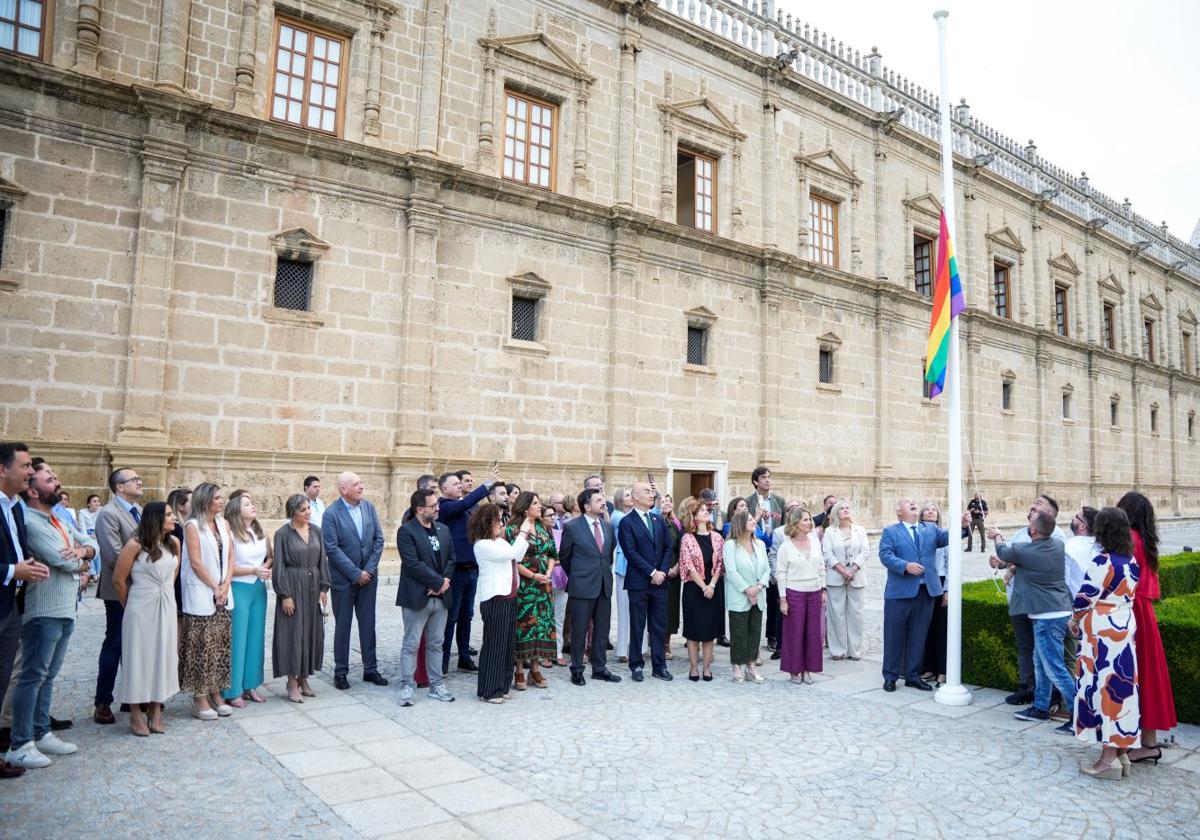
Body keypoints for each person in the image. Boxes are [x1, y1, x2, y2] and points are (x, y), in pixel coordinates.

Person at [4, 461, 93, 769]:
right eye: (50, 479)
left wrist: (82, 554)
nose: (58, 482)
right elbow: (61, 560)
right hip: (43, 610)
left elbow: (89, 544)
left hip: (65, 607)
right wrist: (81, 562)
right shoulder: (30, 520)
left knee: (48, 676)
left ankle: (41, 732)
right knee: (33, 676)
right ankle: (20, 742)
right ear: (32, 490)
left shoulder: (57, 519)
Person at [1070, 506, 1139, 779]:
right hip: (1124, 625)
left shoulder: (1103, 561)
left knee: (1104, 688)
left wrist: (1074, 618)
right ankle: (1121, 753)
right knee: (1121, 686)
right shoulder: (1130, 560)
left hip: (1102, 631)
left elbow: (1085, 596)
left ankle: (1107, 759)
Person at [990, 510, 1075, 729]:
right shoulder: (1057, 545)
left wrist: (997, 535)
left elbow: (1003, 551)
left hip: (1047, 619)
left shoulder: (1023, 550)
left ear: (1033, 530)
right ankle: (1040, 707)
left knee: (1055, 669)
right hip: (1059, 612)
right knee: (1040, 664)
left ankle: (1080, 716)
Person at [0, 442, 50, 778]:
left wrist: (24, 566)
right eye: (25, 465)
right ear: (3, 469)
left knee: (3, 680)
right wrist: (11, 571)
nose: (30, 472)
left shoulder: (15, 506)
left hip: (10, 606)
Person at [1117, 491, 1177, 765]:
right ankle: (1149, 743)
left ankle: (1128, 740)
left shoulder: (1129, 538)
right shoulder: (1145, 539)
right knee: (1147, 675)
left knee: (1132, 674)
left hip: (1132, 610)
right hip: (1144, 612)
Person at [111, 501, 179, 737]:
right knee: (138, 657)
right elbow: (118, 580)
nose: (173, 519)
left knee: (163, 655)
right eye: (169, 515)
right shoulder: (134, 545)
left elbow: (171, 575)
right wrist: (131, 605)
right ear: (155, 519)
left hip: (167, 603)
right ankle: (135, 713)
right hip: (140, 605)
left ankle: (156, 710)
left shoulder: (174, 543)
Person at [322, 472, 386, 691]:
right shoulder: (331, 514)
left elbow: (379, 539)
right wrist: (354, 573)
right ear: (343, 489)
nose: (361, 486)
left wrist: (368, 570)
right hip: (343, 581)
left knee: (368, 624)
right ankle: (341, 671)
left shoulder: (368, 507)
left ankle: (371, 669)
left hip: (369, 579)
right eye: (356, 484)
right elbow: (331, 547)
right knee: (343, 627)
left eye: (361, 483)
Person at [878, 498, 949, 692]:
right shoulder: (891, 531)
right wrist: (905, 566)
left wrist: (964, 525)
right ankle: (890, 677)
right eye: (907, 502)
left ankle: (913, 675)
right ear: (899, 512)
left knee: (919, 636)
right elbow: (885, 555)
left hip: (926, 592)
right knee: (894, 636)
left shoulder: (931, 529)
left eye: (914, 502)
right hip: (899, 593)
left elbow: (949, 538)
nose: (913, 503)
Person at [435, 465, 501, 674]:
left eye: (459, 483)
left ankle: (464, 656)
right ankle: (443, 661)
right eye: (454, 484)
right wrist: (487, 485)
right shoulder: (444, 506)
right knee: (451, 617)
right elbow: (464, 504)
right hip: (455, 572)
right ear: (443, 489)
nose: (459, 486)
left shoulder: (466, 507)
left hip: (471, 570)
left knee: (467, 616)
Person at [179, 483, 235, 720]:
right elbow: (195, 561)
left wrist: (225, 585)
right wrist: (214, 586)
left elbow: (231, 555)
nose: (222, 501)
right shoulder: (192, 526)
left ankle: (216, 691)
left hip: (223, 591)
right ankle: (199, 696)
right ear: (205, 501)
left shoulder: (224, 524)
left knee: (220, 645)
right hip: (202, 592)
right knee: (201, 647)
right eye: (217, 498)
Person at [395, 488, 456, 706]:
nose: (438, 508)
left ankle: (436, 684)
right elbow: (412, 564)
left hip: (441, 597)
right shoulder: (407, 532)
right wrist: (438, 583)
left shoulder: (444, 530)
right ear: (420, 509)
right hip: (416, 597)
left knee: (436, 642)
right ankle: (407, 685)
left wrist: (444, 582)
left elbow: (451, 559)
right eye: (433, 506)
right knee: (411, 643)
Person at [93, 466, 143, 725]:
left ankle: (131, 696)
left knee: (135, 644)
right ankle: (102, 701)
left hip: (141, 588)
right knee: (115, 642)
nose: (139, 481)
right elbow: (113, 554)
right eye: (133, 479)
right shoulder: (108, 514)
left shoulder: (140, 512)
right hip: (119, 588)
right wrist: (145, 569)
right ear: (119, 487)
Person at [558, 487, 621, 686]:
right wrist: (578, 576)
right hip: (581, 586)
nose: (603, 503)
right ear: (586, 506)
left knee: (602, 630)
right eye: (598, 500)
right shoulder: (573, 527)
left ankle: (599, 668)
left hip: (603, 585)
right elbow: (565, 557)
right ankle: (576, 669)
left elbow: (608, 554)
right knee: (579, 630)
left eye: (603, 499)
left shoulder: (608, 527)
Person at [272, 494, 330, 704]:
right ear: (292, 512)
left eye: (308, 509)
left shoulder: (316, 531)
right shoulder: (282, 534)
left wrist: (324, 587)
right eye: (303, 510)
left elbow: (322, 559)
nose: (308, 512)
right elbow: (278, 566)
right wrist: (284, 595)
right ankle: (291, 681)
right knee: (292, 634)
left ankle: (304, 677)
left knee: (310, 633)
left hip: (313, 586)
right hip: (293, 585)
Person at [470, 503, 527, 703]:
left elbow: (517, 555)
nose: (502, 524)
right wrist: (523, 533)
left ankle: (502, 685)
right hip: (495, 598)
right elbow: (509, 554)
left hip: (510, 596)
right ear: (488, 523)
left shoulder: (499, 541)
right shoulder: (483, 544)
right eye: (498, 520)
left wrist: (524, 537)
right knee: (495, 645)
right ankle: (490, 690)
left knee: (507, 645)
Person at [619, 482, 673, 682]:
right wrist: (651, 572)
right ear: (634, 497)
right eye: (647, 492)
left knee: (659, 626)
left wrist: (663, 571)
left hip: (660, 583)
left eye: (652, 492)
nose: (652, 495)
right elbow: (630, 553)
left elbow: (668, 547)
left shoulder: (658, 520)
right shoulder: (627, 522)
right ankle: (636, 665)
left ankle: (659, 666)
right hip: (639, 583)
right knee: (637, 625)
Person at [504, 492, 558, 689]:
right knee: (524, 626)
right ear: (525, 507)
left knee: (541, 626)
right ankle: (519, 670)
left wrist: (549, 571)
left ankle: (535, 669)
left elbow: (552, 552)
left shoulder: (544, 527)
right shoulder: (512, 529)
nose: (540, 506)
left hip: (544, 585)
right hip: (526, 586)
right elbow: (513, 559)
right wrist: (534, 575)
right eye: (535, 503)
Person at [223, 492, 272, 707]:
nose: (252, 506)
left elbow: (270, 556)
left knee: (255, 638)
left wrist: (264, 569)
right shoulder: (231, 533)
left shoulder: (260, 531)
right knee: (238, 638)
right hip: (238, 588)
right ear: (236, 509)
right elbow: (227, 567)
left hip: (258, 589)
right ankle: (232, 690)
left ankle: (250, 684)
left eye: (252, 502)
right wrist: (253, 569)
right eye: (247, 503)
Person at [776, 507, 825, 684]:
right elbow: (780, 574)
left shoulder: (815, 541)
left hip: (814, 592)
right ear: (795, 523)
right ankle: (794, 670)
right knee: (794, 633)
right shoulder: (785, 546)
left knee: (813, 634)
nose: (809, 522)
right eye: (805, 519)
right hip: (794, 593)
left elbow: (821, 566)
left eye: (810, 519)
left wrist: (823, 588)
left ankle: (808, 669)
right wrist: (783, 600)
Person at [678, 497, 724, 681]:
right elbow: (688, 565)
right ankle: (694, 667)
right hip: (694, 589)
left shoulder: (717, 537)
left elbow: (720, 563)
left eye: (708, 510)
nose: (707, 512)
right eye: (703, 510)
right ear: (694, 516)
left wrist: (711, 585)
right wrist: (704, 586)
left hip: (712, 589)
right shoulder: (687, 538)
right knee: (693, 631)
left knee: (709, 632)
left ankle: (706, 668)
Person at [723, 510, 769, 683]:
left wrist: (757, 587)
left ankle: (751, 666)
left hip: (758, 595)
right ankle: (737, 666)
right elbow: (731, 571)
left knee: (755, 632)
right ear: (741, 523)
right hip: (739, 595)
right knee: (738, 632)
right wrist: (747, 590)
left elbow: (766, 570)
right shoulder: (730, 545)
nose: (754, 521)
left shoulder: (760, 545)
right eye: (750, 519)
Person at [821, 500, 868, 661]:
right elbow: (827, 554)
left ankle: (854, 650)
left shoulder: (860, 531)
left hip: (856, 576)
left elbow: (865, 552)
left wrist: (853, 569)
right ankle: (837, 650)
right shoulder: (829, 532)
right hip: (836, 576)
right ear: (835, 513)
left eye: (848, 508)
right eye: (841, 509)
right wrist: (842, 570)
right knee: (836, 613)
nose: (846, 510)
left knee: (856, 614)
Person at [746, 467, 786, 653]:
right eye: (764, 478)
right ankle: (749, 636)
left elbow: (785, 528)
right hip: (755, 551)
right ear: (756, 481)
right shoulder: (748, 502)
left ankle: (773, 636)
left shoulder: (779, 501)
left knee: (775, 597)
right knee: (755, 594)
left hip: (775, 552)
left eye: (770, 477)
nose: (768, 480)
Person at [919, 502, 950, 685]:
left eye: (934, 509)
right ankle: (928, 667)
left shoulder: (945, 535)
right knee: (926, 628)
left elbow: (950, 564)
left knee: (940, 629)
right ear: (922, 515)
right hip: (922, 584)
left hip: (939, 580)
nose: (930, 511)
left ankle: (942, 670)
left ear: (938, 515)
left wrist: (947, 590)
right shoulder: (918, 533)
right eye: (927, 509)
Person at [610, 486, 633, 663]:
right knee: (624, 608)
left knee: (637, 609)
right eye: (627, 495)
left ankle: (637, 645)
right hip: (624, 564)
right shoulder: (618, 516)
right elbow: (632, 523)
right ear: (620, 499)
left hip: (637, 565)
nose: (630, 497)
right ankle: (623, 649)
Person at [544, 504, 569, 666]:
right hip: (544, 579)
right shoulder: (537, 535)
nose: (552, 518)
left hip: (562, 580)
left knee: (559, 618)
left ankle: (558, 651)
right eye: (548, 515)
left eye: (553, 515)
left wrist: (558, 561)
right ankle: (544, 654)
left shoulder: (560, 534)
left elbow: (567, 554)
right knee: (545, 617)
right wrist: (558, 560)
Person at [661, 494, 683, 661]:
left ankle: (667, 643)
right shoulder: (653, 521)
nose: (667, 503)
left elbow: (680, 549)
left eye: (669, 501)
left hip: (673, 573)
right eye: (663, 501)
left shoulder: (676, 525)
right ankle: (655, 641)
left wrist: (676, 567)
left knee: (670, 609)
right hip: (656, 572)